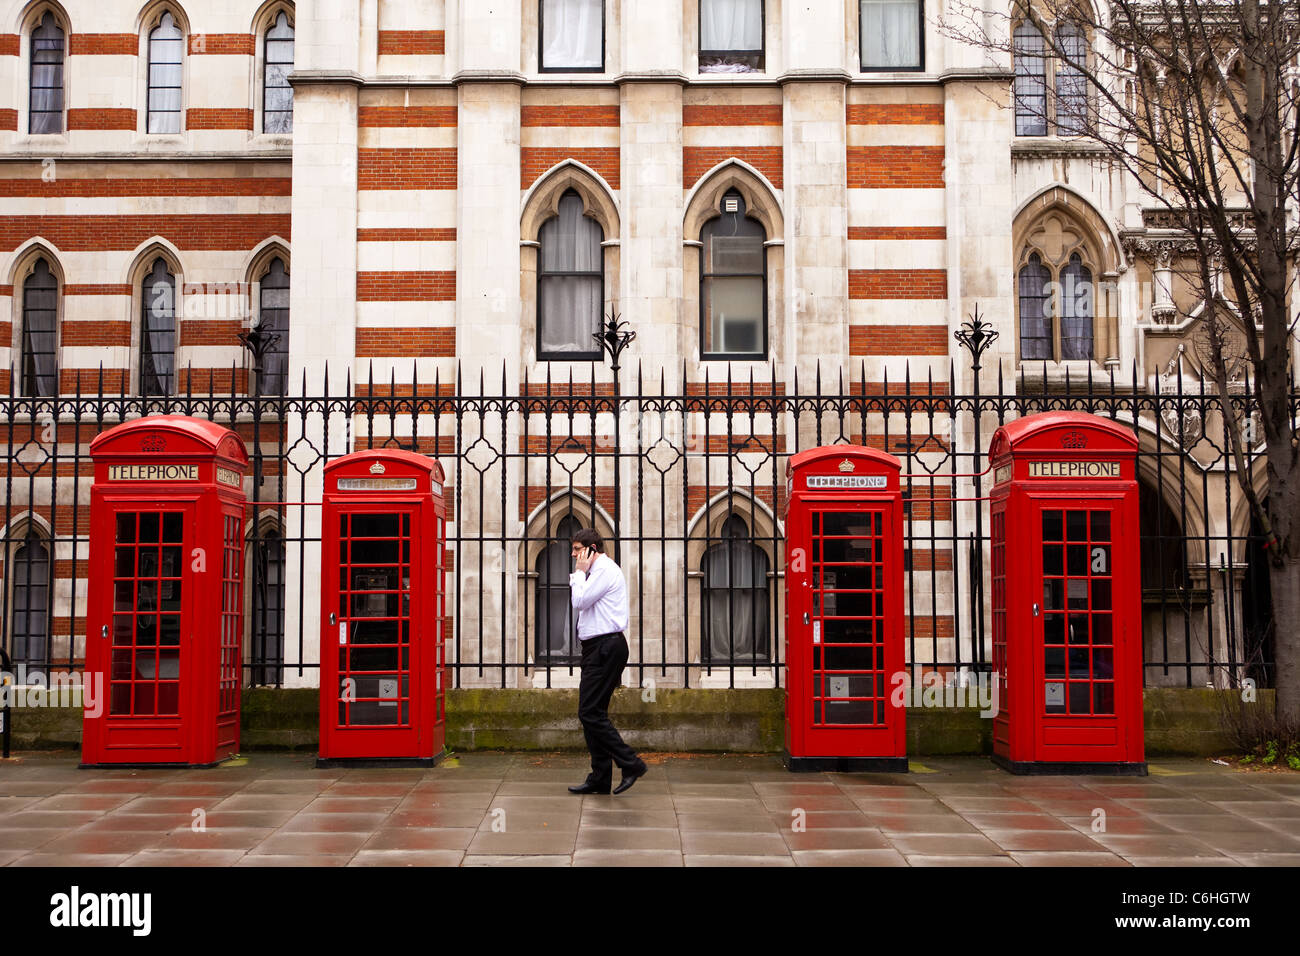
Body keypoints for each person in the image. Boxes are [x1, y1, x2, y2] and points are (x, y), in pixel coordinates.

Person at [565, 528, 647, 795]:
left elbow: (579, 600)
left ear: (591, 549)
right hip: (596, 648)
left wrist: (578, 572)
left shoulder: (603, 570)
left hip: (606, 647)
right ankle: (600, 778)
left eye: (578, 549)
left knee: (589, 713)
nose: (574, 554)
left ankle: (631, 763)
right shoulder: (596, 571)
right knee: (593, 714)